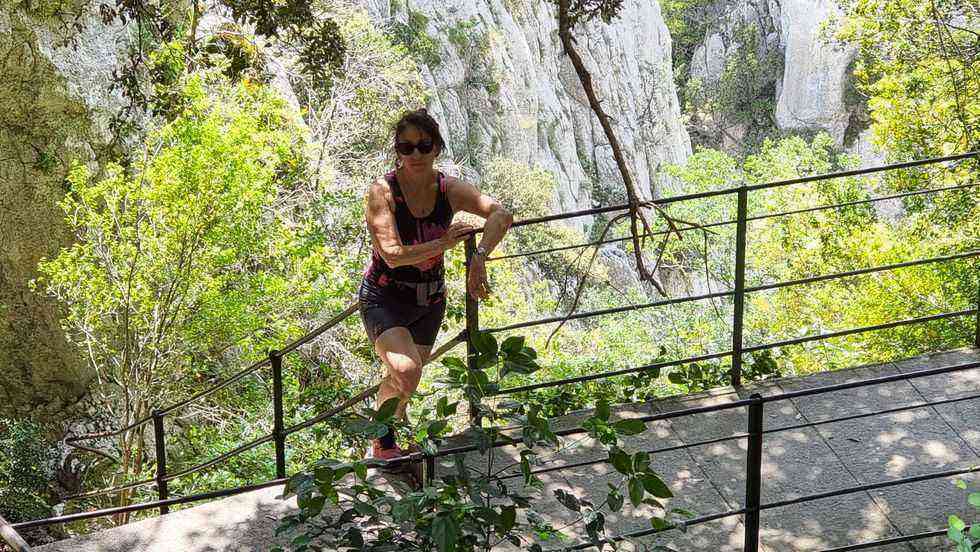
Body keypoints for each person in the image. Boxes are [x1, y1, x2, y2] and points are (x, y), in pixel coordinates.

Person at [360, 108, 513, 464]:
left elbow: (501, 214)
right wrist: (443, 244)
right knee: (407, 371)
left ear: (436, 148)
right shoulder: (383, 193)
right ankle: (384, 436)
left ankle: (384, 440)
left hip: (429, 300)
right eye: (406, 147)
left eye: (423, 146)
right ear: (397, 151)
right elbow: (392, 254)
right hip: (385, 296)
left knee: (405, 379)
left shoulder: (448, 190)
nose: (415, 154)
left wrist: (479, 258)